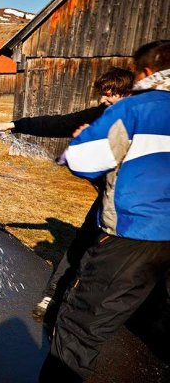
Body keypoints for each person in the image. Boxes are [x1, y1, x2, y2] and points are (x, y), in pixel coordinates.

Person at [40, 40, 170, 382]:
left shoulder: (136, 109)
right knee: (155, 325)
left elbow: (85, 160)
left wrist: (78, 144)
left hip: (134, 232)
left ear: (144, 71)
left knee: (78, 327)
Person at [0, 68, 134, 321]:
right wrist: (13, 125)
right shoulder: (103, 114)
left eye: (109, 95)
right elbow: (61, 122)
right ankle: (53, 296)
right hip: (108, 198)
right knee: (79, 247)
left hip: (136, 205)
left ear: (127, 93)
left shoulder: (140, 119)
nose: (103, 100)